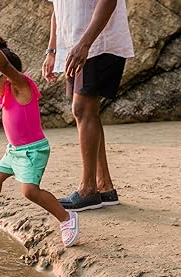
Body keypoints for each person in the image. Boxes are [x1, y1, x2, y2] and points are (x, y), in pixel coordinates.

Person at [0, 18, 79, 247]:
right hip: (14, 151)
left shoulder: (21, 86)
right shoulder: (3, 94)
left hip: (32, 151)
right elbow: (0, 73)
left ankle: (67, 218)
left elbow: (4, 67)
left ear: (4, 75)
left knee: (30, 191)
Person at [42, 0, 134, 211]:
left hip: (98, 43)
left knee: (82, 109)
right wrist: (52, 50)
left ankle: (88, 189)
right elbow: (57, 9)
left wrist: (85, 44)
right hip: (75, 45)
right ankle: (104, 186)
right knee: (87, 111)